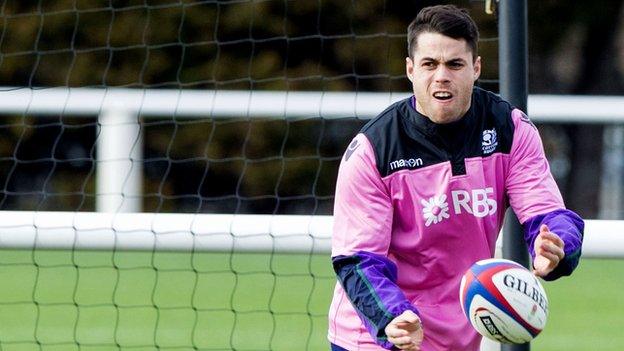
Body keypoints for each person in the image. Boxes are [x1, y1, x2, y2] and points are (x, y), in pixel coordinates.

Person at [327, 4, 584, 351]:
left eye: (455, 64)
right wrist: (391, 317)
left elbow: (548, 214)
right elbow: (358, 259)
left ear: (476, 68)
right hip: (380, 335)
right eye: (429, 64)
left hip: (459, 334)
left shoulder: (510, 130)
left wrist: (557, 247)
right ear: (410, 70)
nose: (441, 76)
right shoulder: (374, 151)